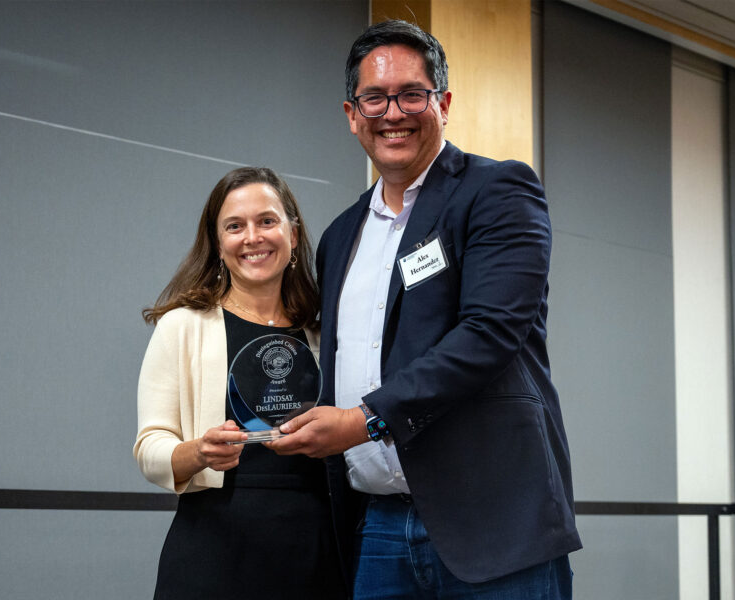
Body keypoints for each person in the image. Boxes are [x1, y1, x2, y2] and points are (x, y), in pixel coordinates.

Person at [268, 20, 582, 599]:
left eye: (412, 93)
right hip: (379, 528)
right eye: (375, 98)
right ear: (351, 113)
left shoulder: (497, 191)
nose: (394, 112)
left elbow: (489, 334)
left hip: (493, 522)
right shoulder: (340, 236)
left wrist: (363, 421)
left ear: (444, 103)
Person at [134, 167, 345, 600]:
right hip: (213, 549)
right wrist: (198, 452)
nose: (253, 237)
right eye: (235, 226)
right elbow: (150, 448)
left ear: (293, 232)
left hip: (317, 551)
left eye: (267, 220)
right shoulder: (182, 326)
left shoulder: (327, 334)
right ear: (217, 243)